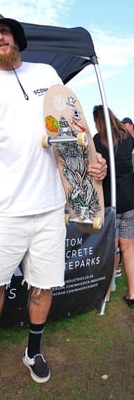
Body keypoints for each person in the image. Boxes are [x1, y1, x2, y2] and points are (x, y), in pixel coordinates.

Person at [0, 13, 107, 384]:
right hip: (5, 208)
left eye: (5, 31)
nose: (0, 37)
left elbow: (69, 126)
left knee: (43, 284)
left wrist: (93, 165)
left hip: (50, 207)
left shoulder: (45, 73)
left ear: (16, 38)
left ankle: (33, 350)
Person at [92, 105, 134, 308]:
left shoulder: (98, 141)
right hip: (130, 200)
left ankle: (106, 294)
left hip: (111, 202)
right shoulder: (127, 137)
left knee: (110, 250)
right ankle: (133, 293)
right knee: (128, 248)